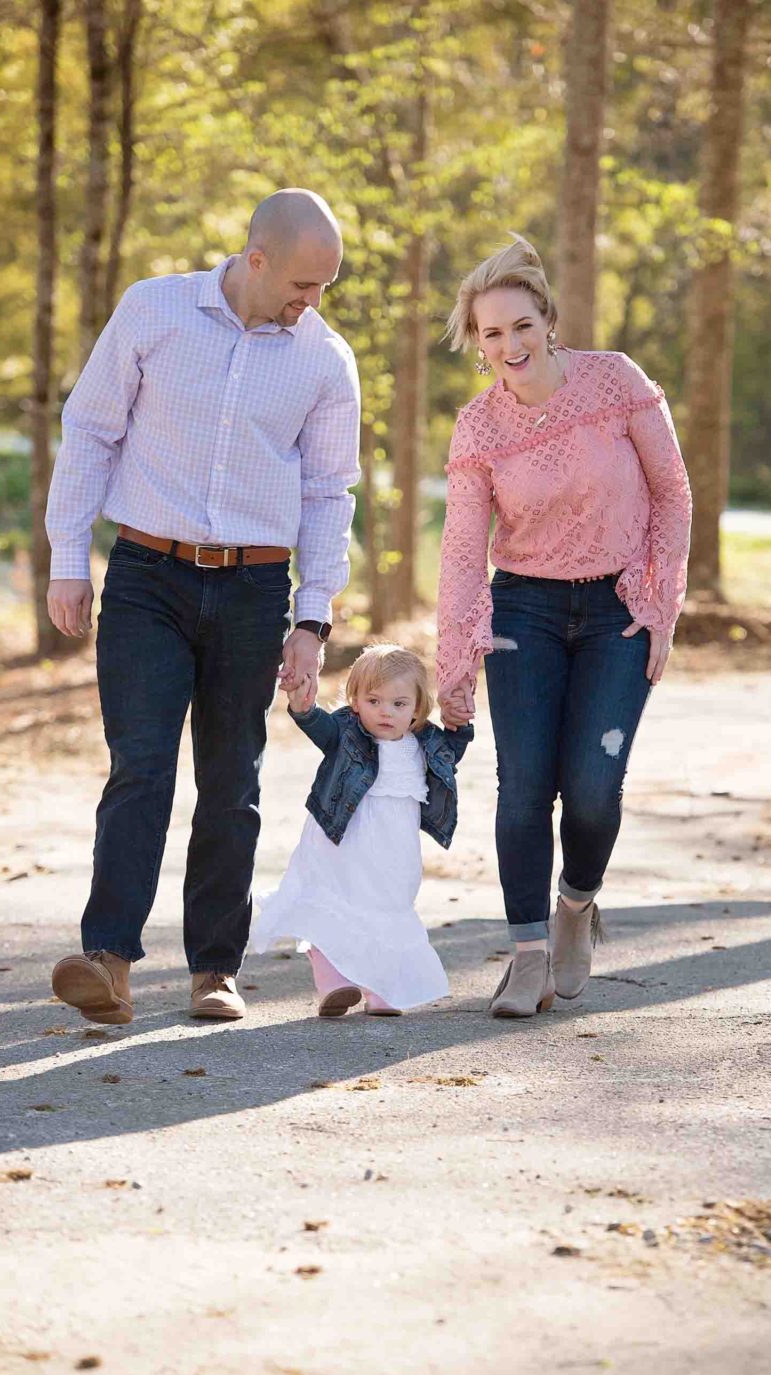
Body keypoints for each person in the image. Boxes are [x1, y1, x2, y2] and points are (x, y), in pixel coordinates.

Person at [46, 189, 360, 1026]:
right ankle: (107, 959)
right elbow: (90, 431)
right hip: (148, 575)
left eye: (326, 286)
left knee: (232, 781)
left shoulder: (325, 359)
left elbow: (330, 493)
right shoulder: (154, 311)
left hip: (256, 588)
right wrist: (67, 558)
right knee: (141, 766)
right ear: (255, 260)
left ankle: (213, 968)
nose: (312, 303)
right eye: (302, 284)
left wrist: (312, 616)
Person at [437, 235, 692, 1020]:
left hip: (617, 605)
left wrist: (660, 604)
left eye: (520, 325)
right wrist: (452, 666)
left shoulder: (615, 382)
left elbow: (673, 493)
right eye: (490, 333)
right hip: (524, 611)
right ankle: (524, 954)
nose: (508, 345)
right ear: (476, 344)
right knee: (523, 790)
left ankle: (575, 904)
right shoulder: (479, 429)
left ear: (548, 320)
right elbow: (460, 550)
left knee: (590, 788)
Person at [250, 644, 473, 1017]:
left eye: (399, 704)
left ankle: (380, 988)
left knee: (385, 910)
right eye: (374, 700)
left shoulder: (426, 744)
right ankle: (334, 984)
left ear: (417, 709)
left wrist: (460, 723)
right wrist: (303, 707)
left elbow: (453, 749)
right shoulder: (345, 733)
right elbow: (318, 726)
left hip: (393, 852)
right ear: (355, 701)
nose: (385, 711)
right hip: (338, 842)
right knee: (330, 906)